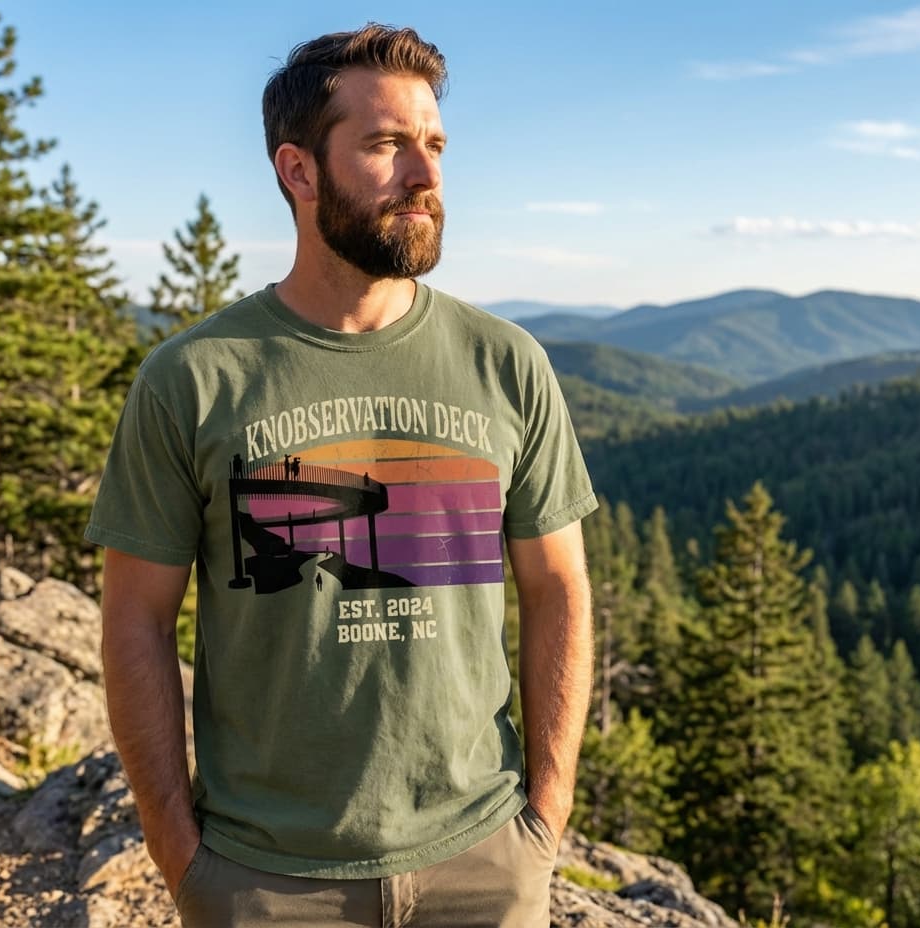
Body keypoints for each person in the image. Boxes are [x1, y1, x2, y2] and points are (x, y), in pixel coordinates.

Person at [86, 24, 596, 928]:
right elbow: (136, 617)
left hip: (482, 865)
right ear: (298, 170)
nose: (426, 177)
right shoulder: (194, 380)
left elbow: (559, 588)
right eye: (386, 145)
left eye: (434, 145)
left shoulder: (507, 364)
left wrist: (542, 823)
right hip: (264, 876)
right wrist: (180, 850)